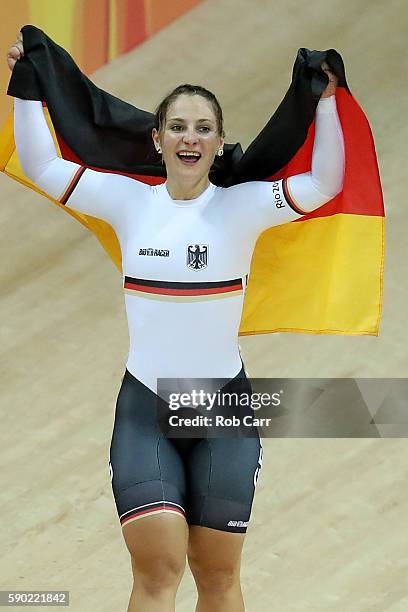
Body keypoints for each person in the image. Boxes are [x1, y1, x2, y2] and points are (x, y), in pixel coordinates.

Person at [7, 31, 343, 612]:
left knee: (217, 579)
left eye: (204, 127)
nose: (192, 136)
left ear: (217, 143)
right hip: (146, 412)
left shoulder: (242, 207)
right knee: (157, 572)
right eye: (180, 126)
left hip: (225, 412)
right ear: (158, 139)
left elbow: (324, 184)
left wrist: (329, 101)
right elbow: (41, 163)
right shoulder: (127, 202)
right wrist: (29, 86)